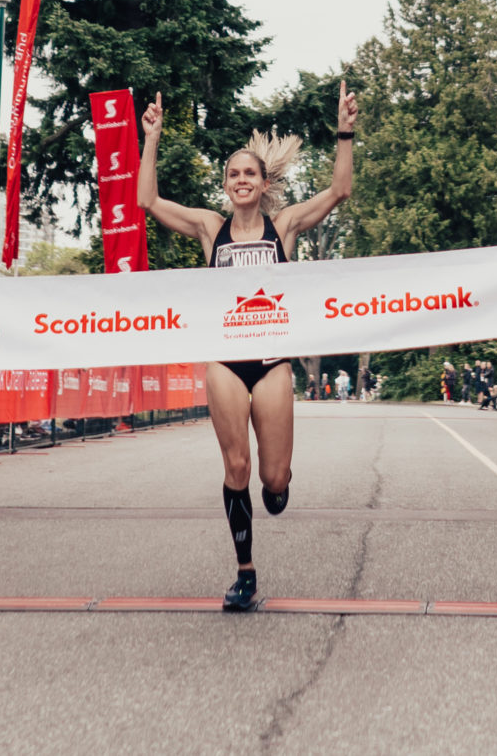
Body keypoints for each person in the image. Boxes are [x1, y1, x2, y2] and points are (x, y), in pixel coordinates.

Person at [136, 83, 358, 613]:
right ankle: (245, 574)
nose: (242, 180)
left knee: (272, 482)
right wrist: (152, 138)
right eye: (234, 173)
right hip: (226, 364)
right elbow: (146, 201)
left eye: (250, 173)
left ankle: (277, 486)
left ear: (263, 184)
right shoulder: (209, 229)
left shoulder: (284, 227)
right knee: (236, 467)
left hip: (272, 363)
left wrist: (344, 132)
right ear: (226, 184)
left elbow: (339, 192)